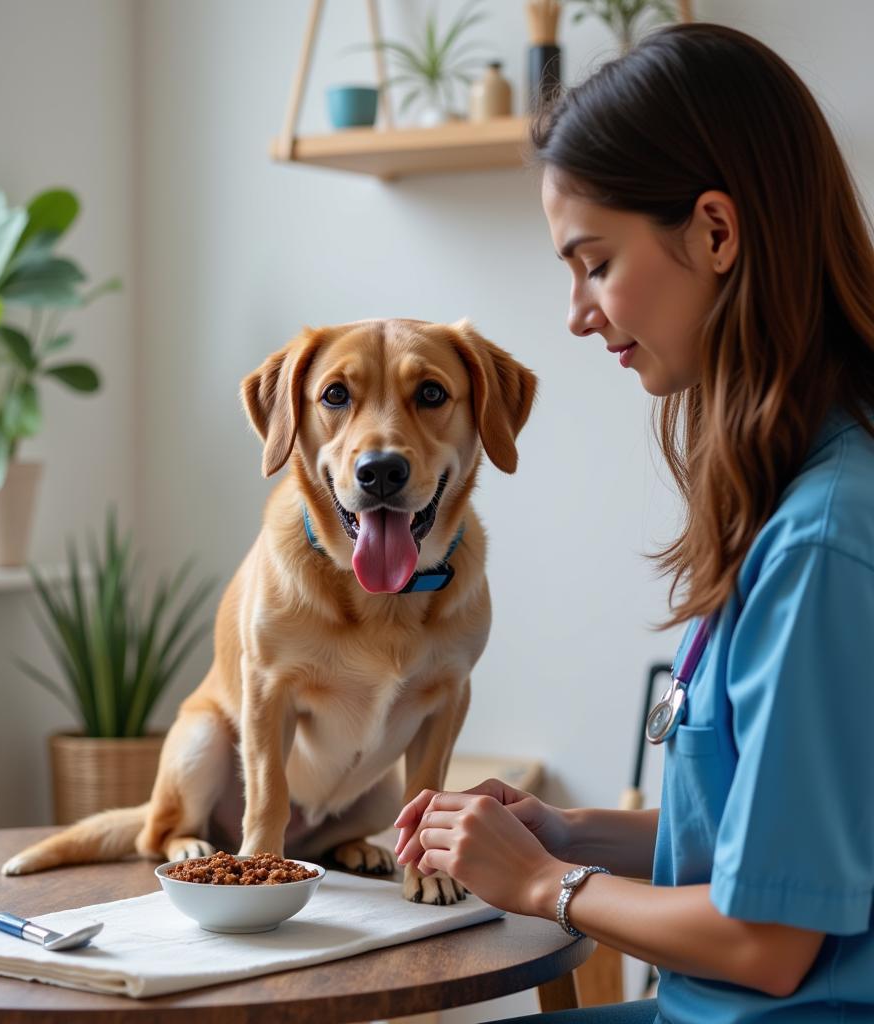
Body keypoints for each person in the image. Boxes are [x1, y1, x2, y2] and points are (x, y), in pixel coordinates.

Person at [395, 22, 874, 1024]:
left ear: (714, 231)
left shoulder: (826, 540)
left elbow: (768, 941)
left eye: (594, 261)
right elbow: (768, 848)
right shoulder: (792, 497)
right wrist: (568, 832)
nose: (576, 312)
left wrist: (540, 884)